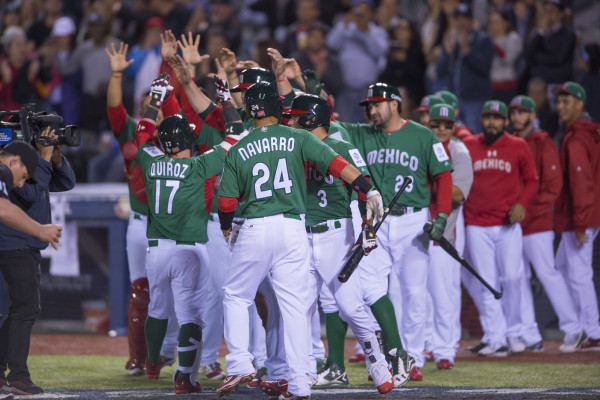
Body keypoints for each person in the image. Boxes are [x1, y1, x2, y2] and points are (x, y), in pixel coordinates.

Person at [216, 81, 385, 399]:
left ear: (252, 111)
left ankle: (240, 363)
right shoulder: (296, 137)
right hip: (294, 229)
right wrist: (368, 188)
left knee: (236, 295)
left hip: (255, 226)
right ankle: (299, 382)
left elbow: (225, 203)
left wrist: (228, 231)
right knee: (296, 308)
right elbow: (336, 164)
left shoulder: (239, 148)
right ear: (275, 108)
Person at [134, 73, 240, 394]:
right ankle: (184, 376)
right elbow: (236, 135)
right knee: (192, 315)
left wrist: (156, 100)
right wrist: (225, 101)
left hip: (156, 250)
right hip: (190, 250)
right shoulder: (197, 167)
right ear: (186, 142)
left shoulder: (150, 161)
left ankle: (152, 361)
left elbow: (143, 133)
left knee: (157, 308)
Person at [340, 82, 453, 381]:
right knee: (372, 290)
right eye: (368, 106)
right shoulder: (363, 133)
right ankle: (383, 359)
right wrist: (309, 87)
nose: (371, 110)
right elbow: (329, 123)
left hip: (412, 221)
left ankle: (411, 359)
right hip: (376, 220)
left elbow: (443, 176)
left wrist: (441, 215)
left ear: (395, 103)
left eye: (377, 104)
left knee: (414, 292)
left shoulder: (423, 134)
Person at [283, 93, 394, 393]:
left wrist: (367, 228)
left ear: (310, 118)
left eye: (296, 116)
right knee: (299, 308)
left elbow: (364, 191)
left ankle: (378, 362)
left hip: (335, 233)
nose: (290, 120)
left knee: (350, 306)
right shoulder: (292, 146)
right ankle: (301, 373)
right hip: (300, 235)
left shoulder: (341, 145)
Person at [105, 42, 181, 377]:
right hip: (141, 223)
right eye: (151, 106)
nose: (156, 110)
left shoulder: (180, 139)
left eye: (160, 106)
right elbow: (114, 111)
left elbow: (175, 99)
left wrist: (168, 65)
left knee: (181, 294)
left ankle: (166, 353)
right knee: (141, 292)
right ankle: (139, 357)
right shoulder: (132, 138)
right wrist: (117, 75)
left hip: (176, 224)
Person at [508, 94, 585, 352]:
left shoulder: (543, 143)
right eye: (514, 112)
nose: (516, 116)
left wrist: (527, 212)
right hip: (512, 225)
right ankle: (528, 333)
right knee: (517, 278)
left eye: (522, 112)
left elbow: (552, 187)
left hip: (536, 224)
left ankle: (574, 328)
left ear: (532, 115)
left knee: (548, 274)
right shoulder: (511, 143)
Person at [462, 100, 538, 356]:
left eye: (496, 117)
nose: (491, 122)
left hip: (508, 225)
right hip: (476, 224)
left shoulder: (518, 145)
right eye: (487, 117)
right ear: (482, 120)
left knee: (514, 279)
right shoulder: (470, 145)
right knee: (486, 282)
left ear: (506, 122)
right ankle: (495, 336)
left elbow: (532, 180)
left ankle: (515, 332)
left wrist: (522, 204)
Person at [0, 134, 73, 396]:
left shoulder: (13, 169)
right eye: (23, 176)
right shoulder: (6, 172)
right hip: (15, 244)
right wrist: (40, 230)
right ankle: (17, 375)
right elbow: (9, 207)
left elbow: (66, 182)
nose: (18, 184)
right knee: (25, 307)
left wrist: (50, 157)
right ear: (16, 160)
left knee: (20, 308)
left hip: (20, 243)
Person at [426, 103, 473, 369]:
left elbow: (458, 194)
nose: (441, 129)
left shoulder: (459, 151)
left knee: (443, 295)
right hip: (417, 233)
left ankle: (445, 350)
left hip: (445, 234)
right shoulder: (421, 144)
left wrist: (431, 186)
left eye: (447, 125)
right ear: (429, 123)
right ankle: (425, 345)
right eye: (436, 124)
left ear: (454, 127)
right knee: (418, 295)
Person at [554, 82, 600, 351]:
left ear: (580, 104)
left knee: (579, 274)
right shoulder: (584, 132)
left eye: (566, 102)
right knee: (561, 267)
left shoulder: (578, 137)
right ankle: (582, 325)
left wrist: (581, 221)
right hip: (583, 214)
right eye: (559, 102)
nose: (560, 107)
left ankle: (593, 331)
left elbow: (582, 183)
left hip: (579, 216)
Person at [326, 0, 389, 122]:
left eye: (365, 11)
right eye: (358, 11)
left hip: (369, 90)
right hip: (346, 89)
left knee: (371, 127)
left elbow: (379, 50)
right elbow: (331, 43)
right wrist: (345, 23)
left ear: (371, 13)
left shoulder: (377, 32)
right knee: (344, 128)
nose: (361, 14)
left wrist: (364, 31)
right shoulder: (345, 29)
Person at [436, 2, 494, 134]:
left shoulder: (482, 39)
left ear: (471, 20)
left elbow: (484, 68)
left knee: (473, 135)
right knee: (455, 136)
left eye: (465, 19)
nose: (461, 23)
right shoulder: (453, 40)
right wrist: (448, 53)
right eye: (458, 19)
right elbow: (440, 71)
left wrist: (467, 50)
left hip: (475, 99)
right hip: (455, 99)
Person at [524, 0, 575, 85]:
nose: (547, 14)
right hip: (537, 82)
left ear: (561, 13)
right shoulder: (539, 33)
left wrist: (536, 57)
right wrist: (540, 33)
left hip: (557, 82)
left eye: (551, 11)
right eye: (545, 11)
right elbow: (527, 55)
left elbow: (558, 58)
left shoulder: (568, 34)